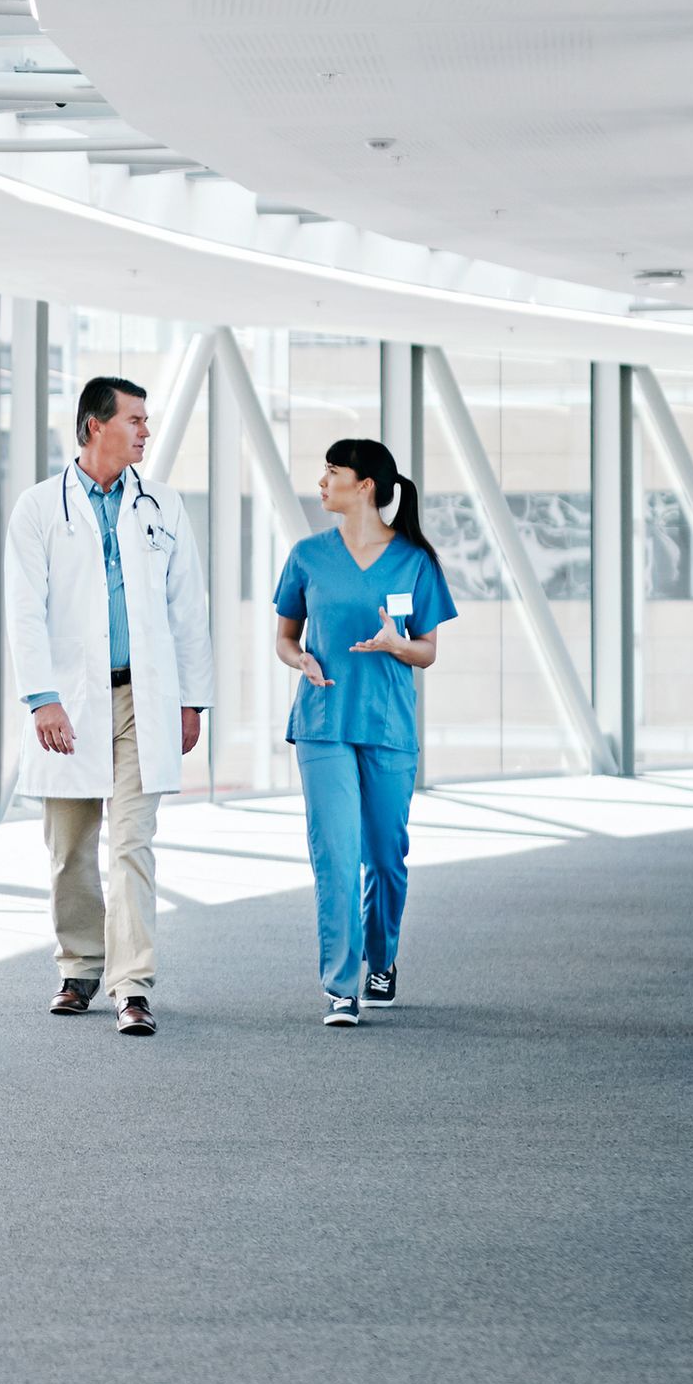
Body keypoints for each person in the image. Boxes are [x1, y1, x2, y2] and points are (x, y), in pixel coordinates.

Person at [5, 373, 211, 1036]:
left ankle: (133, 984)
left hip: (141, 699)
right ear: (95, 426)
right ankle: (79, 968)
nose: (145, 431)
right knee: (69, 847)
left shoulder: (162, 505)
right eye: (135, 420)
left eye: (147, 421)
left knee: (132, 845)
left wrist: (192, 700)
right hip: (68, 700)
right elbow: (24, 612)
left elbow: (189, 610)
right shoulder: (39, 508)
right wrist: (43, 699)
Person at [270, 438, 455, 1027]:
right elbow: (285, 638)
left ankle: (382, 960)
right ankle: (341, 985)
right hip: (324, 723)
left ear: (365, 485)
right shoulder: (307, 556)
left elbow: (426, 651)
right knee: (336, 853)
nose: (321, 481)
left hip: (388, 726)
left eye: (332, 471)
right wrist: (300, 660)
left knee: (385, 856)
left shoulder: (414, 561)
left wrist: (397, 644)